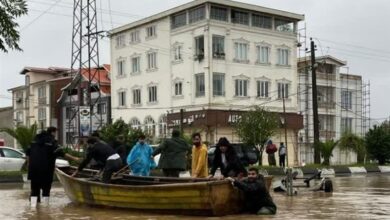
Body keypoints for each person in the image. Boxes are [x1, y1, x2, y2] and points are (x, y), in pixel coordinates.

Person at [26, 127, 79, 207]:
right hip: (46, 170)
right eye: (55, 133)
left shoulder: (34, 141)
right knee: (46, 190)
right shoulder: (52, 141)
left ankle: (33, 209)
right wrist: (75, 158)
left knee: (34, 190)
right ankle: (46, 209)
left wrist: (29, 165)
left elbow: (28, 154)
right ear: (53, 132)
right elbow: (62, 153)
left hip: (34, 170)